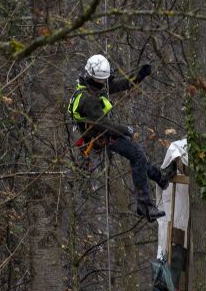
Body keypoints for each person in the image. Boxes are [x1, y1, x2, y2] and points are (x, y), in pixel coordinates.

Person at [68, 54, 175, 220]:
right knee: (137, 154)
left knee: (138, 159)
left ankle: (161, 179)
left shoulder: (92, 87)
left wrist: (139, 76)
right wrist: (126, 130)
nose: (105, 83)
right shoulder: (88, 99)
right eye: (101, 81)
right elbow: (104, 125)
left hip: (100, 133)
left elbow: (121, 84)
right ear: (92, 78)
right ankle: (145, 206)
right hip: (99, 137)